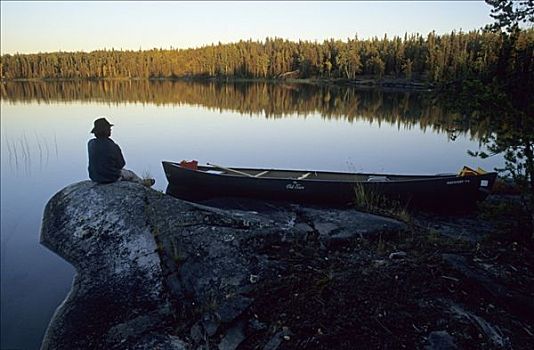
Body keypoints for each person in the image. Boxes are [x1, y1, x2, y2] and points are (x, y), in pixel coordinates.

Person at [87, 117, 155, 186]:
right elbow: (121, 164)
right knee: (130, 174)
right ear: (105, 130)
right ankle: (143, 184)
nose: (110, 130)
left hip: (94, 177)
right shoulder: (113, 146)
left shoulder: (90, 143)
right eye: (109, 128)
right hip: (110, 177)